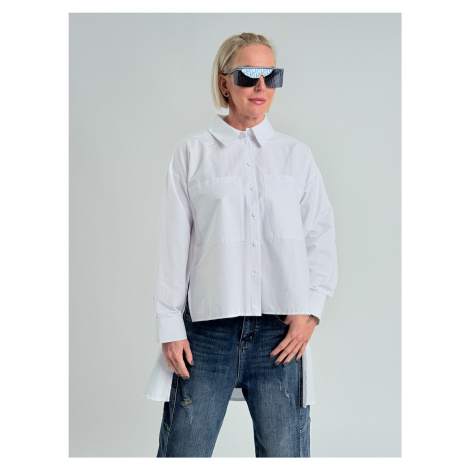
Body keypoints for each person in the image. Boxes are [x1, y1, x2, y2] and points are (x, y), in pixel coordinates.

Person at [144, 32, 338, 458]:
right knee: (183, 453)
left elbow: (320, 236)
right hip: (206, 333)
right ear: (224, 83)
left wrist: (311, 314)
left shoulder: (296, 157)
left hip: (279, 334)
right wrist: (169, 325)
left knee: (284, 456)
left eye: (271, 76)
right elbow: (174, 245)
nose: (261, 86)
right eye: (248, 75)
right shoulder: (192, 153)